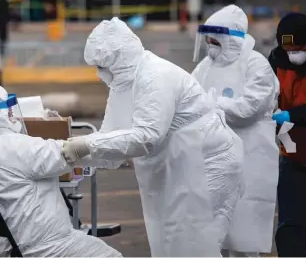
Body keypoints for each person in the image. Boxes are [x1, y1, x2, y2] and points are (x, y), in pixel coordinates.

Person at [61, 17, 244, 257]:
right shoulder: (122, 84)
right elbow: (110, 141)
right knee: (171, 242)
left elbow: (147, 137)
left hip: (208, 163)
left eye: (101, 66)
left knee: (197, 244)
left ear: (119, 60)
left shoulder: (154, 76)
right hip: (179, 167)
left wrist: (86, 144)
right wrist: (69, 157)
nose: (98, 73)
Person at [0, 78, 122, 257]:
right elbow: (64, 154)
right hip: (41, 246)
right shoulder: (15, 147)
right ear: (0, 111)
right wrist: (114, 146)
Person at [191, 4, 280, 257]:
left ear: (230, 39)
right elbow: (188, 98)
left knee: (244, 234)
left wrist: (212, 105)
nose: (210, 45)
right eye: (208, 40)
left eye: (215, 40)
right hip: (214, 158)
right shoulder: (206, 66)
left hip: (250, 156)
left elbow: (247, 110)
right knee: (217, 233)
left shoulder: (255, 65)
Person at [268, 12, 306, 257]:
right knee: (290, 225)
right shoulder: (276, 61)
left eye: (298, 48)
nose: (292, 53)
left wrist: (291, 116)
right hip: (293, 156)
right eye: (288, 48)